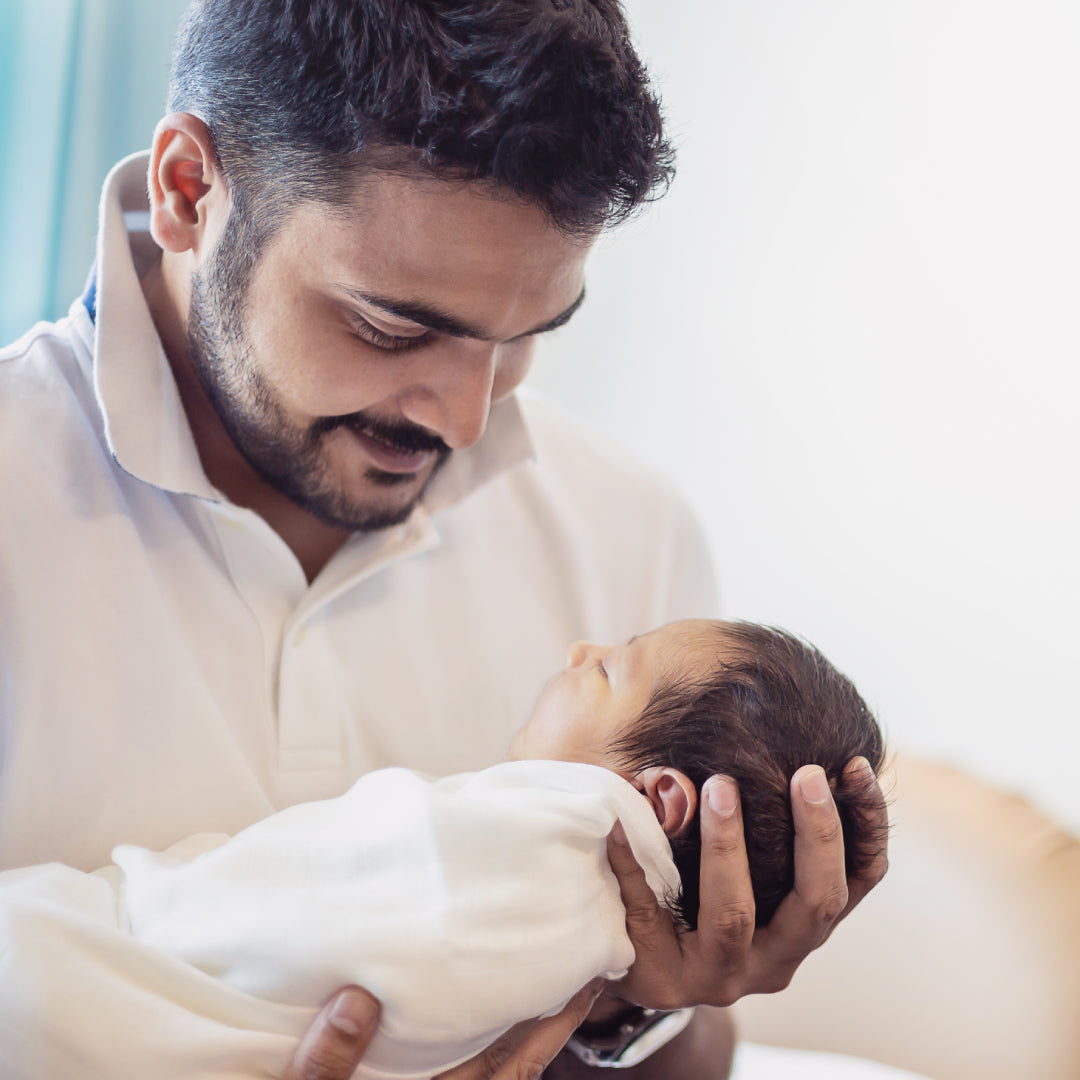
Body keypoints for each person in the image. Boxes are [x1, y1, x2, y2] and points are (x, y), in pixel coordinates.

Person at [0, 2, 889, 1077]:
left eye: (526, 338)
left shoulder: (627, 529)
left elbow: (690, 1064)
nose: (466, 423)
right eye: (392, 327)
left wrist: (625, 1009)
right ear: (189, 190)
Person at [0, 619, 885, 1079]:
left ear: (662, 800)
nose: (579, 648)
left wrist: (639, 1003)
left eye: (608, 669)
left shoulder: (550, 838)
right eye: (391, 334)